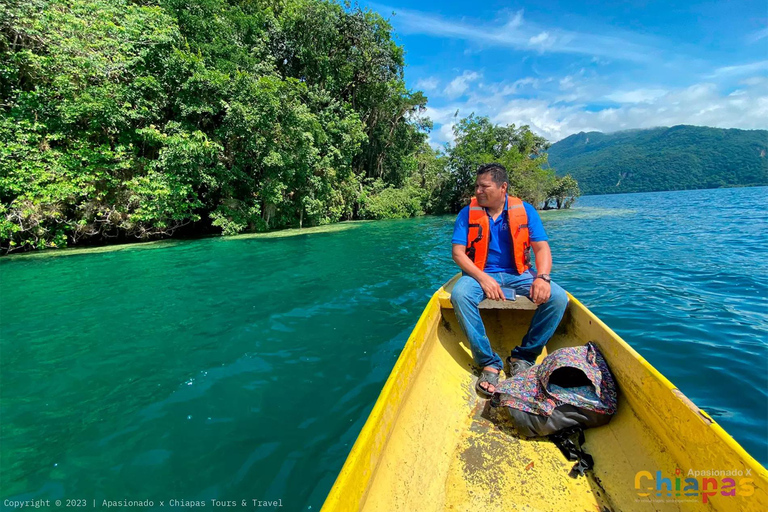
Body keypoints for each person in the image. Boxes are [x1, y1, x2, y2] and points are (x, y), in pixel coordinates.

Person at [450, 163, 568, 398]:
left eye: (484, 186)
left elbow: (542, 248)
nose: (478, 191)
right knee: (460, 295)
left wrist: (543, 278)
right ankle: (489, 362)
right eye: (476, 186)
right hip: (480, 272)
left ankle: (522, 357)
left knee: (557, 298)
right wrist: (483, 278)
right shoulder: (467, 213)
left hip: (520, 273)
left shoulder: (525, 211)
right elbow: (458, 253)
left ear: (503, 187)